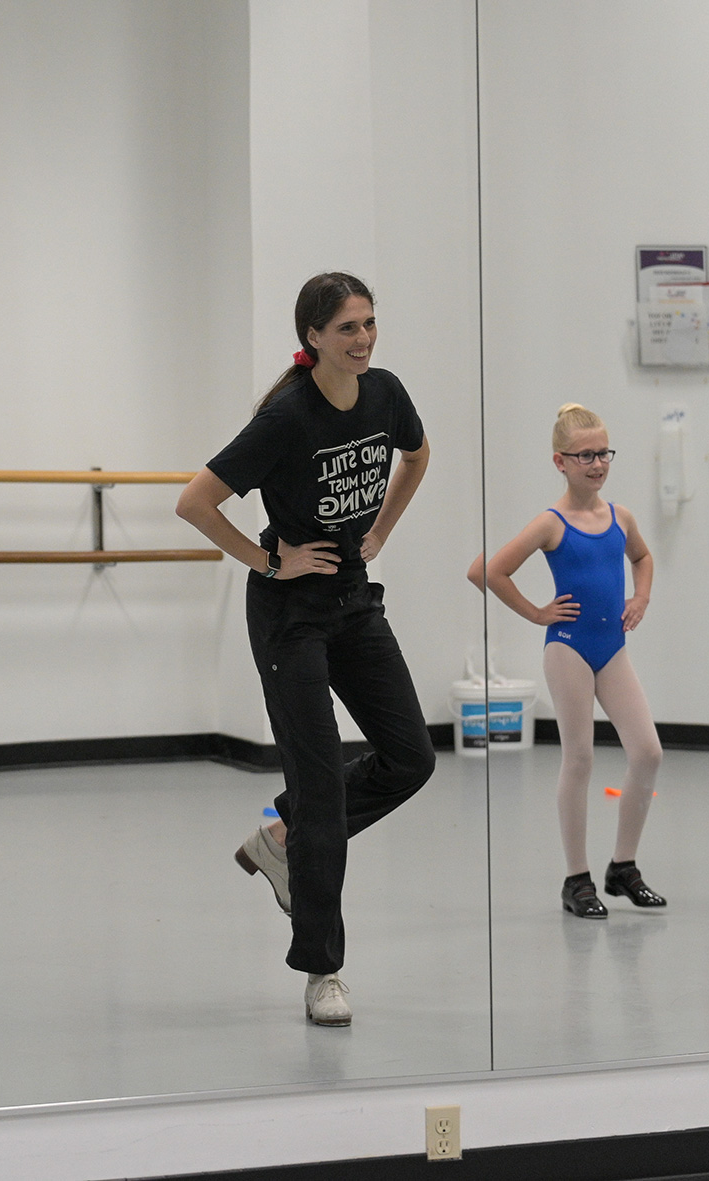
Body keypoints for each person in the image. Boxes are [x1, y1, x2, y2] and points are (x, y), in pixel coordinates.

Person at [176, 272, 435, 1027]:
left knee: (411, 756)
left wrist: (380, 531)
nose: (364, 339)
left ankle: (283, 836)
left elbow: (417, 457)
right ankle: (323, 968)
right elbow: (195, 501)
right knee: (321, 787)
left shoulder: (385, 393)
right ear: (313, 336)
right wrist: (267, 560)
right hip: (291, 613)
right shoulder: (287, 417)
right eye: (349, 328)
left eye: (370, 323)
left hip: (354, 596)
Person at [468, 404, 667, 920]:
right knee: (579, 758)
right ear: (561, 461)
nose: (597, 464)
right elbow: (488, 572)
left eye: (604, 453)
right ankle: (576, 879)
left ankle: (623, 867)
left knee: (647, 752)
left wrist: (640, 597)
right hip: (569, 649)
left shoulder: (620, 517)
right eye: (586, 456)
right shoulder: (551, 524)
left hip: (612, 649)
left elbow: (642, 558)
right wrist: (537, 613)